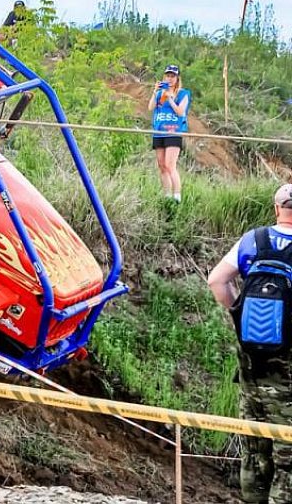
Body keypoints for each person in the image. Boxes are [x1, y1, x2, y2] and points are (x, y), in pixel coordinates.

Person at [207, 183, 292, 504]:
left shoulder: (253, 241)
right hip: (288, 376)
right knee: (289, 457)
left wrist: (238, 313)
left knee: (254, 450)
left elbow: (217, 280)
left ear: (276, 209)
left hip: (251, 367)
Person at [147, 64, 190, 201]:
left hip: (173, 131)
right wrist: (155, 92)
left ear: (177, 78)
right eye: (168, 76)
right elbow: (150, 107)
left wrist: (170, 98)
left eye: (173, 76)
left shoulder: (183, 93)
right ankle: (167, 196)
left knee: (170, 165)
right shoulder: (159, 93)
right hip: (159, 132)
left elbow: (180, 111)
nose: (170, 79)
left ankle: (177, 197)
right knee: (162, 165)